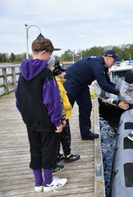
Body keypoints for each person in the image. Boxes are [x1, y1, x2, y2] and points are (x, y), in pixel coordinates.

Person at [15, 37, 67, 192]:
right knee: (48, 150)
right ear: (43, 52)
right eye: (49, 54)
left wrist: (26, 115)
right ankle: (49, 182)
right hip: (46, 119)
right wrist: (57, 121)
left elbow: (18, 97)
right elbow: (52, 99)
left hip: (30, 120)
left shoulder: (22, 72)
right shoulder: (45, 73)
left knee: (35, 149)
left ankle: (38, 183)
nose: (50, 58)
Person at [63, 50, 121, 140]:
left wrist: (120, 88)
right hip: (71, 82)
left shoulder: (103, 65)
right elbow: (103, 85)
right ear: (107, 58)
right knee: (66, 109)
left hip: (82, 84)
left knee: (86, 106)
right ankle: (61, 135)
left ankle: (85, 133)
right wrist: (118, 93)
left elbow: (108, 82)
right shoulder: (97, 65)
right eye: (114, 61)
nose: (114, 64)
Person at [53, 60, 80, 163]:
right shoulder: (58, 84)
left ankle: (57, 155)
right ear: (58, 72)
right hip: (62, 116)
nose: (65, 73)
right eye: (63, 71)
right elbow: (59, 101)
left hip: (61, 115)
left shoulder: (57, 83)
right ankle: (67, 155)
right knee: (66, 136)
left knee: (58, 137)